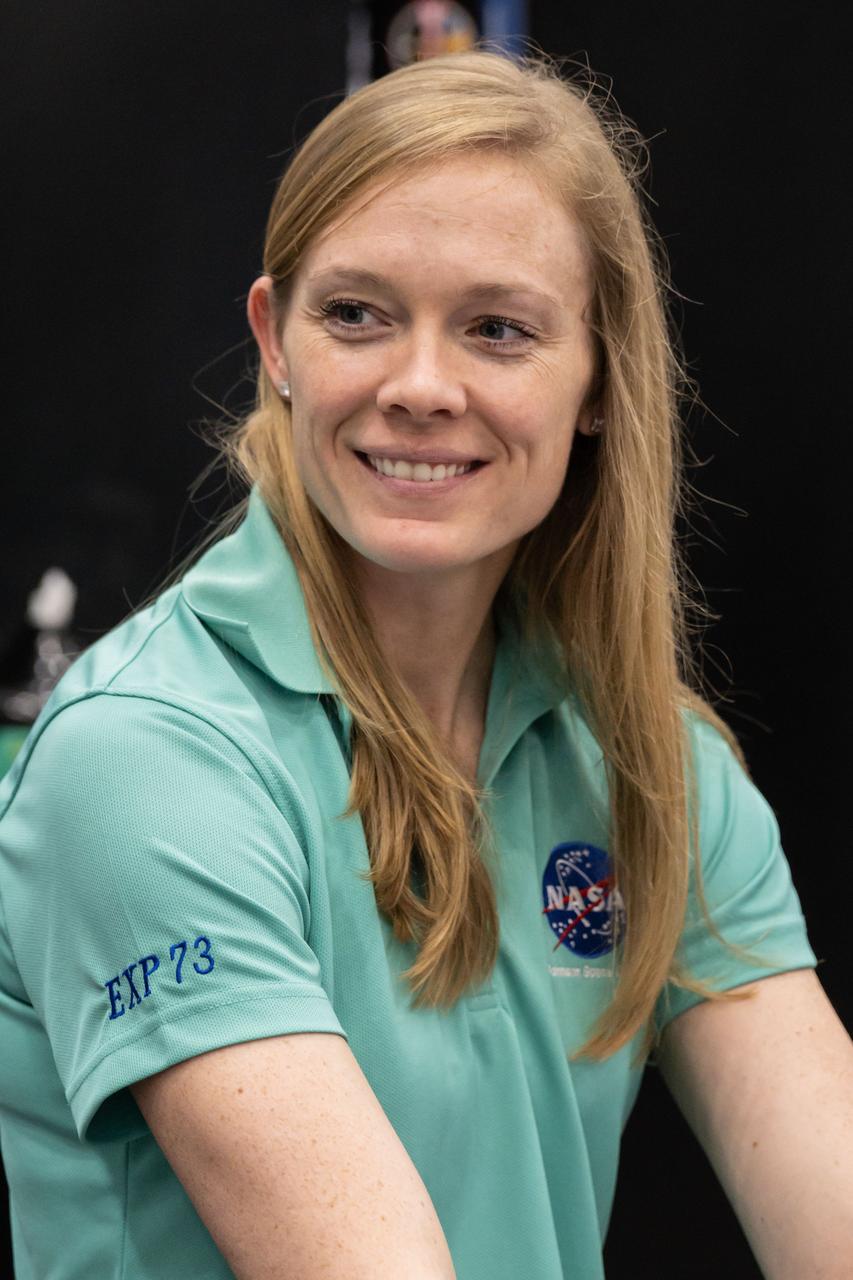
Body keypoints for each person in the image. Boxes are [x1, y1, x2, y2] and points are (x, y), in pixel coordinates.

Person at [0, 47, 850, 1280]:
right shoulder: (142, 759)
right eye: (356, 314)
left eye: (497, 329)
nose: (418, 386)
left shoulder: (653, 765)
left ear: (600, 377)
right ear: (273, 338)